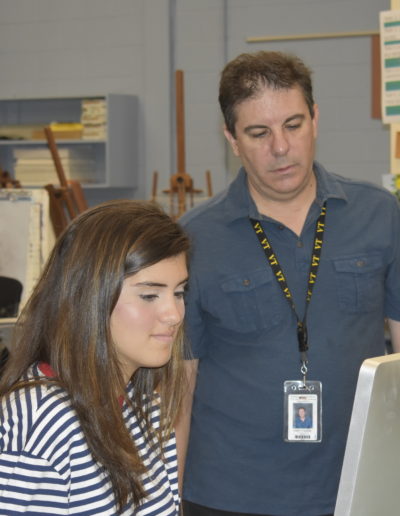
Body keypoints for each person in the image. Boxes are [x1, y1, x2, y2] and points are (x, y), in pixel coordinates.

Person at [177, 51, 400, 516]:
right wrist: (168, 497)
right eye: (259, 133)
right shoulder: (194, 238)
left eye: (293, 125)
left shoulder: (379, 214)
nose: (280, 147)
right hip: (228, 494)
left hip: (356, 486)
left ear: (315, 119)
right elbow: (180, 385)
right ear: (231, 139)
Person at [0, 200, 190, 515]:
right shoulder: (43, 418)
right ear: (89, 297)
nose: (174, 314)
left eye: (179, 292)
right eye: (149, 295)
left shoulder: (147, 405)